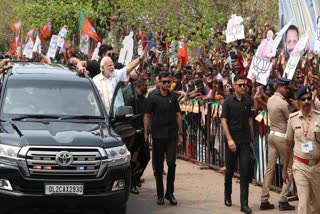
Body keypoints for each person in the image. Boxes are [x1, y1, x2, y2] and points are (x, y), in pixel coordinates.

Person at [144, 71, 183, 206]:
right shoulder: (153, 96)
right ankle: (160, 194)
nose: (167, 84)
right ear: (159, 82)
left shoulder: (173, 96)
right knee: (159, 166)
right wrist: (145, 132)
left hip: (172, 134)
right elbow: (147, 115)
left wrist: (181, 134)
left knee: (171, 163)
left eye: (169, 82)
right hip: (158, 135)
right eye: (164, 82)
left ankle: (169, 192)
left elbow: (178, 115)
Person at [260, 77, 295, 211]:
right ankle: (283, 199)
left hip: (272, 135)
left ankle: (264, 199)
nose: (287, 90)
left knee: (270, 168)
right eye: (286, 88)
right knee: (290, 168)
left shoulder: (270, 100)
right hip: (281, 138)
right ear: (280, 87)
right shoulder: (282, 103)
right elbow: (290, 120)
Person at [283, 86, 320, 214]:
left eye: (309, 98)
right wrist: (285, 169)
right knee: (303, 204)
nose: (306, 102)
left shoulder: (319, 118)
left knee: (317, 205)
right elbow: (288, 145)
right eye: (303, 99)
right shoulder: (292, 119)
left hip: (317, 166)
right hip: (300, 166)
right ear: (298, 102)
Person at [221, 74, 254, 214]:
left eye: (244, 85)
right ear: (234, 86)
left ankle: (244, 204)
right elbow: (223, 121)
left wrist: (251, 140)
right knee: (229, 170)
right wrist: (229, 139)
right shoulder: (228, 102)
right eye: (240, 85)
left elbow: (250, 121)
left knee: (245, 172)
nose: (243, 87)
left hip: (245, 141)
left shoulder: (247, 101)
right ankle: (227, 195)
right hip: (232, 142)